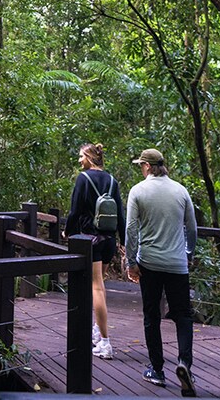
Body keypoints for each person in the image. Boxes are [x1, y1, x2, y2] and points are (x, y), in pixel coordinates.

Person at [125, 147, 198, 397]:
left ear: (146, 166)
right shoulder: (181, 190)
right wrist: (188, 254)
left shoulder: (138, 191)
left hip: (150, 264)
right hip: (177, 264)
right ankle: (184, 363)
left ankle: (157, 369)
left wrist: (130, 262)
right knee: (183, 316)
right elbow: (192, 228)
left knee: (151, 315)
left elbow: (131, 229)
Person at [63, 142, 125, 361]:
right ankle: (99, 331)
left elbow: (74, 210)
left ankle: (106, 343)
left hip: (90, 239)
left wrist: (67, 232)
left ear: (89, 157)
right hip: (108, 240)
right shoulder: (112, 180)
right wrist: (123, 241)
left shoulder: (83, 179)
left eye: (81, 156)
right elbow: (120, 213)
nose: (79, 160)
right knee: (99, 285)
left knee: (96, 286)